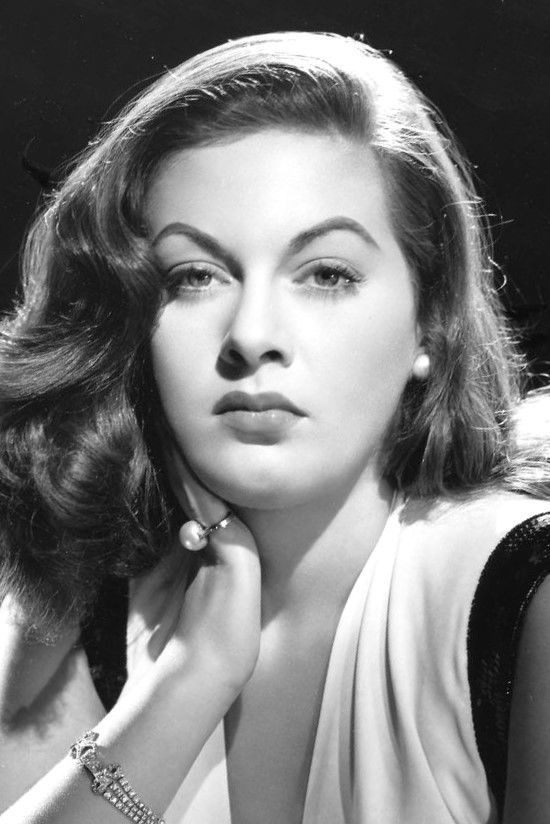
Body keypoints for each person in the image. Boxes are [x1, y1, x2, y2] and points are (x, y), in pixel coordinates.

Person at [1, 30, 549, 824]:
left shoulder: (525, 602)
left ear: (428, 323)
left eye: (325, 274)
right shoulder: (84, 611)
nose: (253, 335)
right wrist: (192, 677)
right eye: (195, 276)